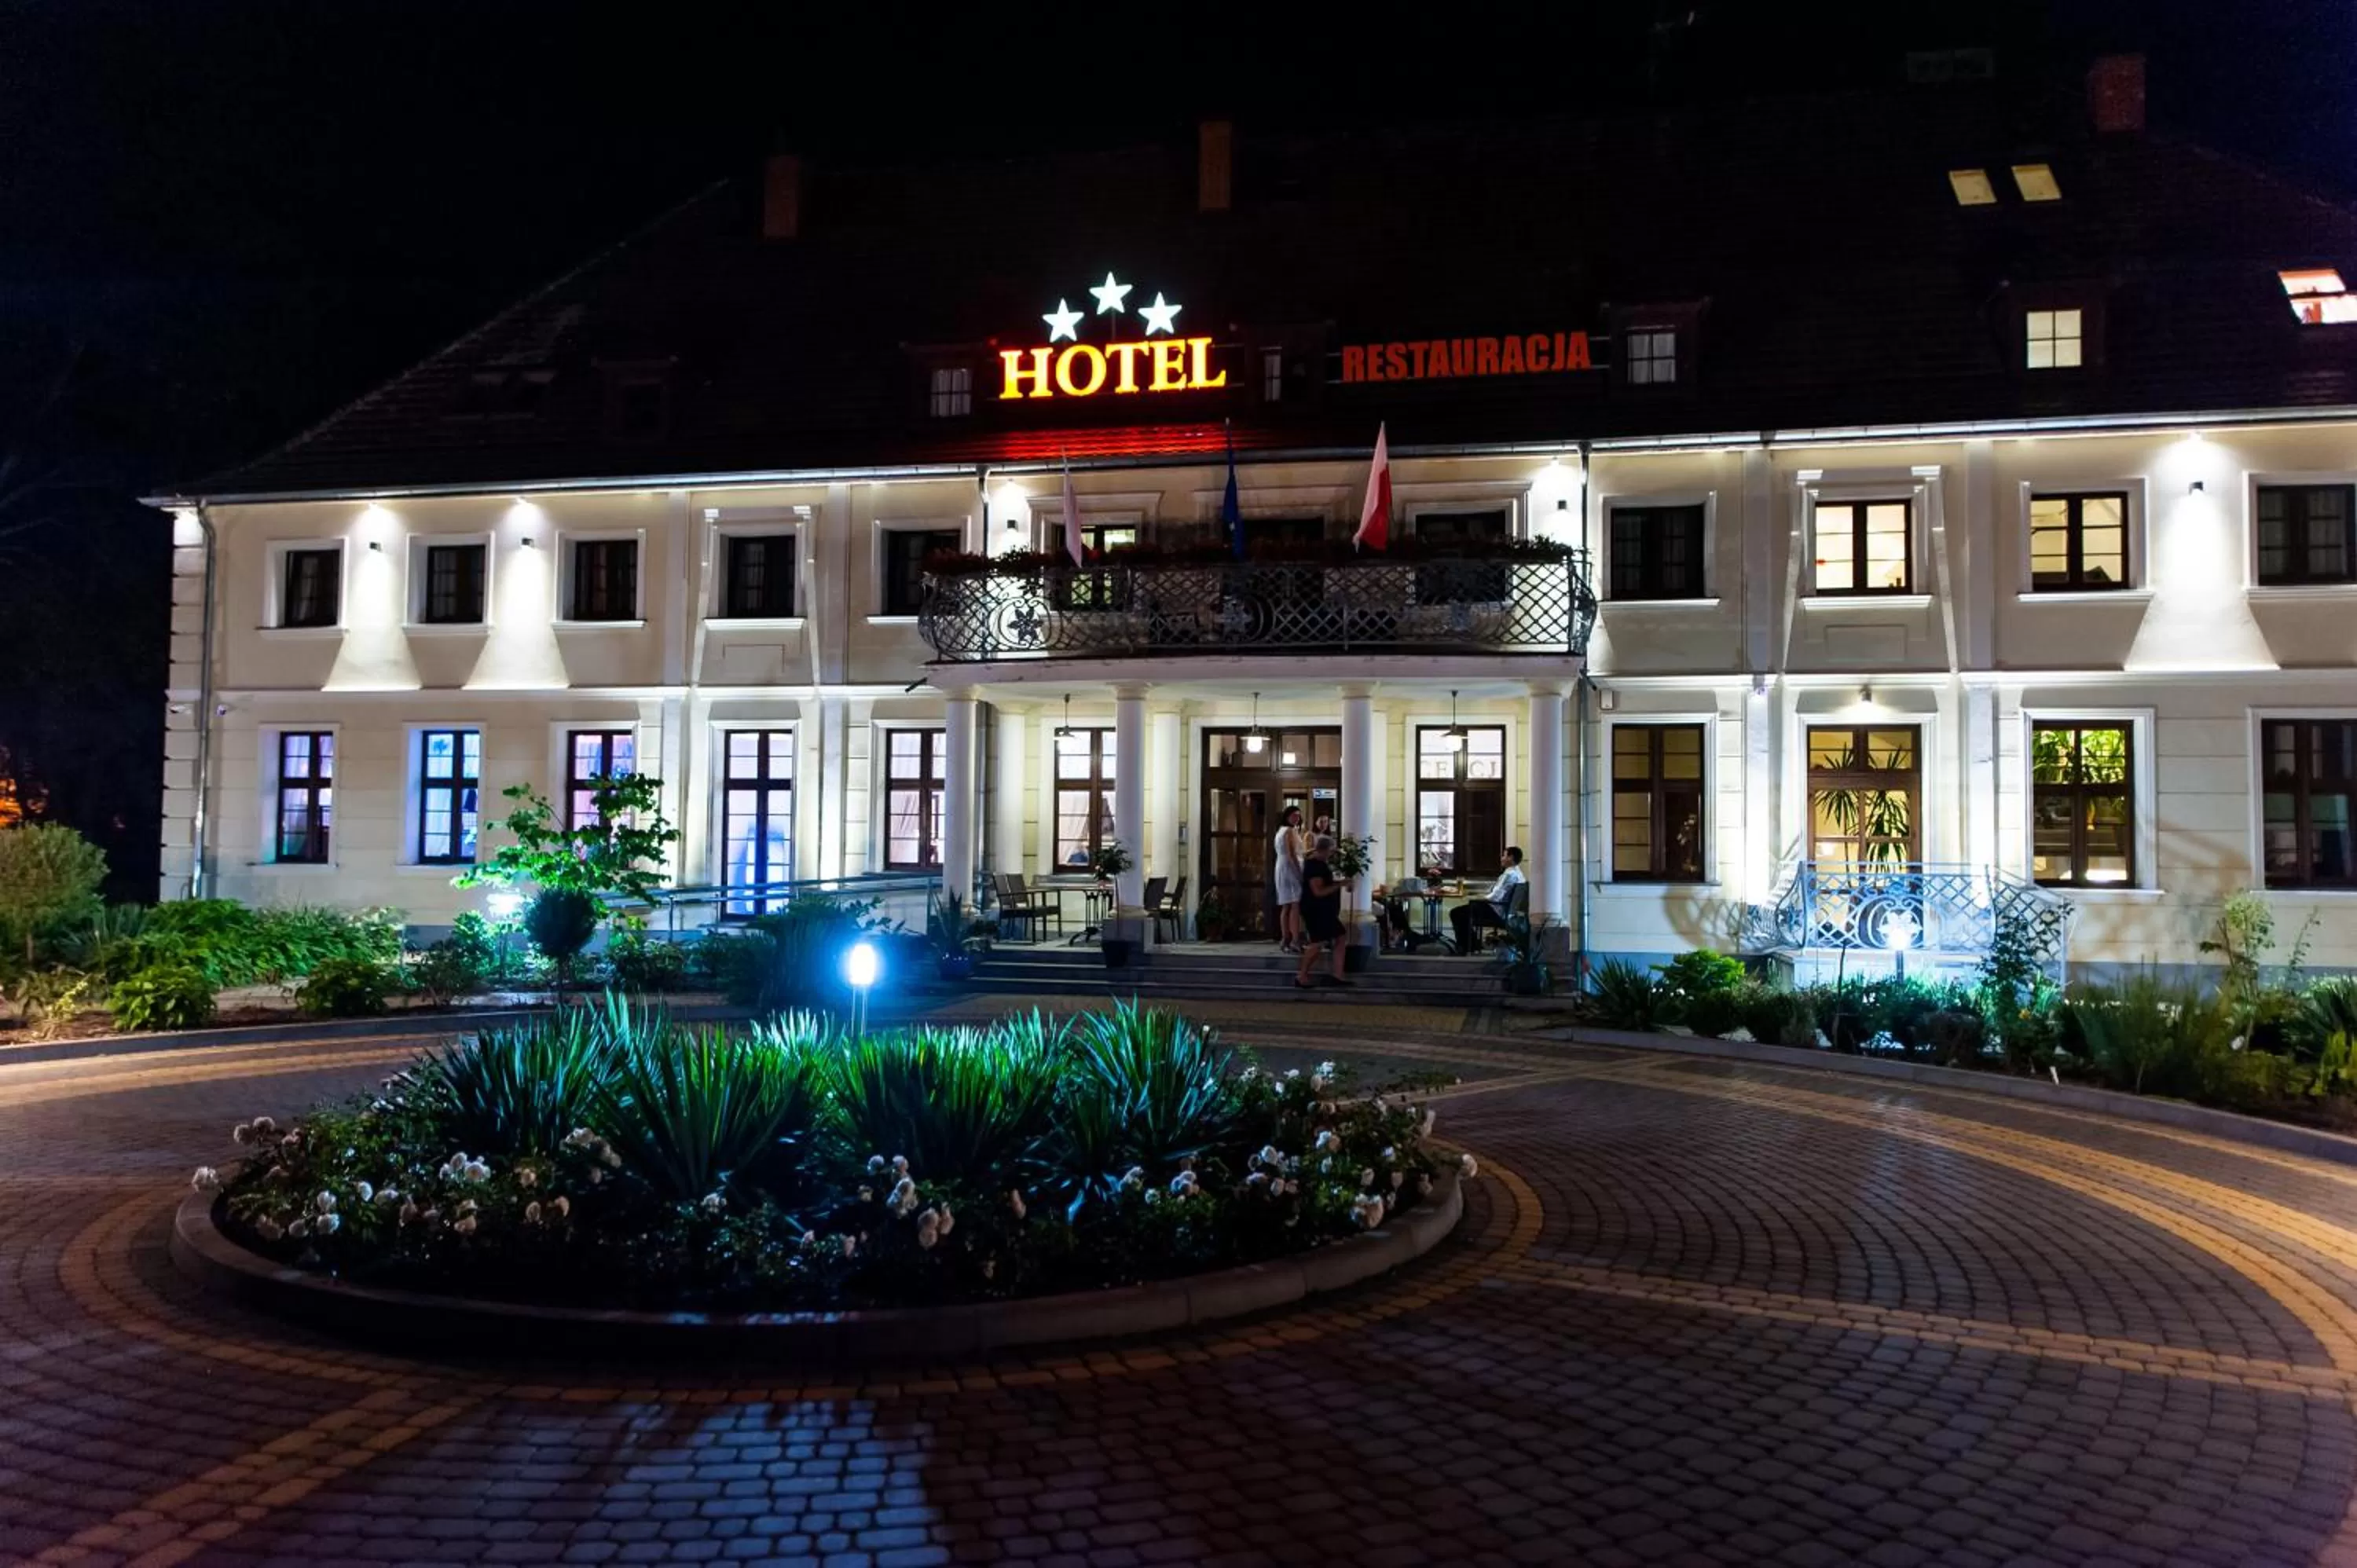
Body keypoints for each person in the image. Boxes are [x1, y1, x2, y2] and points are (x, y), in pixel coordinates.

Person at [1295, 833, 1351, 988]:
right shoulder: (1315, 866)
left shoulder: (1320, 864)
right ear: (1325, 850)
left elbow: (1325, 884)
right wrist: (1339, 885)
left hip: (1322, 910)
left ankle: (1337, 975)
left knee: (1340, 936)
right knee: (1317, 943)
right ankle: (1302, 976)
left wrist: (1340, 883)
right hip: (1316, 910)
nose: (1332, 855)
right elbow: (1318, 891)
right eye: (1331, 852)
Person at [1450, 846, 1526, 954]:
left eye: (1504, 855)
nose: (1501, 858)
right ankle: (1473, 944)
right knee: (1465, 911)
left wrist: (1478, 898)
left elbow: (1495, 897)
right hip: (1506, 910)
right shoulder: (1519, 874)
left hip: (1496, 910)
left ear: (1511, 857)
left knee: (1457, 913)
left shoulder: (1509, 875)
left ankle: (1466, 946)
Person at [1270, 804, 1305, 953]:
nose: (1296, 818)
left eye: (1298, 816)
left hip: (1280, 867)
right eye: (1294, 815)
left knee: (1286, 905)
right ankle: (1295, 940)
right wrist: (1300, 873)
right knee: (1295, 905)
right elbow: (1292, 855)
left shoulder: (1280, 831)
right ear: (1287, 816)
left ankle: (1285, 938)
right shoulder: (1290, 831)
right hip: (1290, 868)